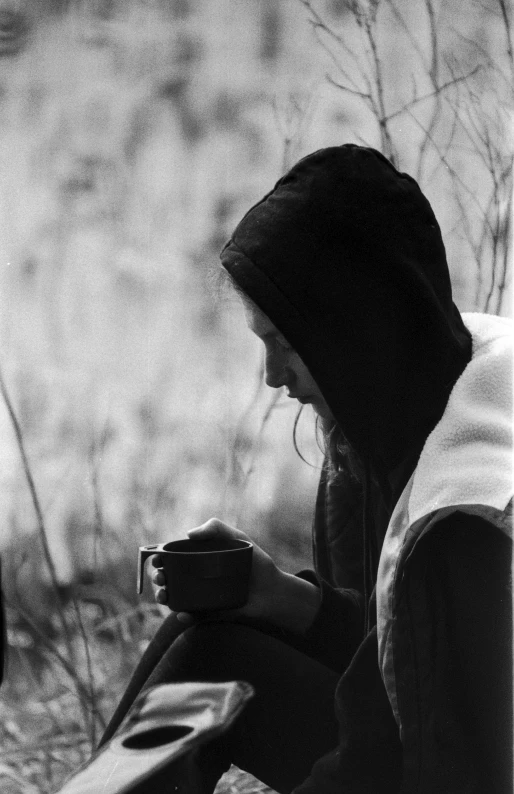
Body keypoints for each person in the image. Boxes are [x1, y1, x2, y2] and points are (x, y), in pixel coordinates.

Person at [100, 145, 512, 793]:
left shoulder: (461, 510)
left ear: (350, 331)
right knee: (209, 641)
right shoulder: (414, 386)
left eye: (287, 345)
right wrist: (280, 599)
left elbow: (421, 760)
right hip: (421, 745)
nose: (272, 378)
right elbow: (397, 662)